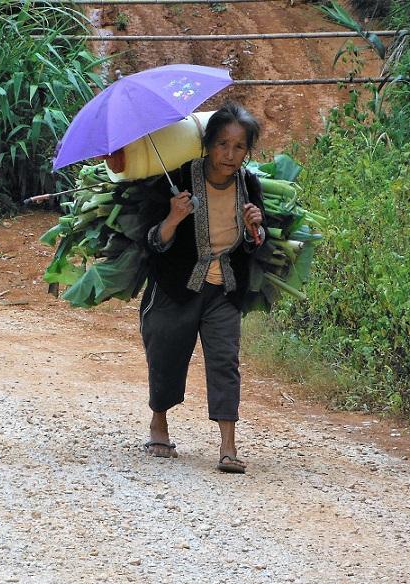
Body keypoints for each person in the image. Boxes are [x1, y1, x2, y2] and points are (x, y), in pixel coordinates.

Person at [139, 101, 266, 473]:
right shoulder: (176, 181)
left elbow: (257, 241)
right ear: (208, 144)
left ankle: (228, 447)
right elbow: (153, 241)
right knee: (165, 353)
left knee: (225, 361)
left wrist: (256, 225)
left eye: (239, 147)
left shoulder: (249, 184)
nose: (230, 155)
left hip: (223, 289)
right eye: (222, 145)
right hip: (176, 286)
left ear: (247, 151)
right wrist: (173, 218)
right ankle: (158, 424)